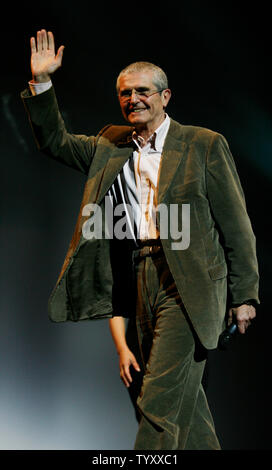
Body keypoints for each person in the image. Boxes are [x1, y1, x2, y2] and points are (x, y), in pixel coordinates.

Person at [21, 29, 259, 450]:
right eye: (125, 93)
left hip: (190, 286)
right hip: (140, 278)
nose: (134, 99)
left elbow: (236, 225)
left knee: (158, 403)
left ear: (166, 97)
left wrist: (245, 295)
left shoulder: (203, 145)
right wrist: (42, 83)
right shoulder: (109, 145)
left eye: (143, 91)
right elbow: (55, 142)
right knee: (186, 406)